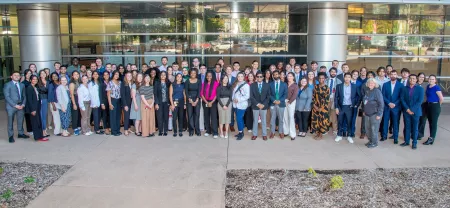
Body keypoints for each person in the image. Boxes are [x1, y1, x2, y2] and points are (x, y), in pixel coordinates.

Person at [400, 74, 424, 150]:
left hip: (416, 112)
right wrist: (407, 109)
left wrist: (412, 110)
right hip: (406, 111)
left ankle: (414, 143)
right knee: (407, 127)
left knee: (415, 128)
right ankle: (406, 141)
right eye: (410, 78)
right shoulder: (404, 88)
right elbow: (402, 99)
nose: (412, 80)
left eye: (414, 79)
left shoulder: (420, 89)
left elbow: (420, 101)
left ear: (416, 80)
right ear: (408, 79)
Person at [334, 73, 359, 144]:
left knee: (349, 122)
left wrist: (356, 105)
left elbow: (359, 96)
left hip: (350, 107)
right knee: (340, 121)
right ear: (344, 78)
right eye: (346, 77)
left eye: (349, 77)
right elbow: (336, 97)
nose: (347, 78)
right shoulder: (339, 86)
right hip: (341, 107)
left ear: (351, 78)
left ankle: (349, 136)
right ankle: (339, 135)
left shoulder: (354, 86)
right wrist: (336, 107)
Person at [5, 71, 29, 143]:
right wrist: (15, 105)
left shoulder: (22, 85)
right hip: (11, 106)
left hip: (21, 106)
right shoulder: (7, 85)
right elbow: (7, 96)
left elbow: (24, 96)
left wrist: (23, 104)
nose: (16, 76)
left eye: (18, 75)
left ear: (20, 77)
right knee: (10, 121)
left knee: (20, 120)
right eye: (15, 75)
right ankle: (10, 136)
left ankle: (20, 133)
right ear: (11, 77)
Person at [381, 70, 403, 143]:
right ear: (389, 75)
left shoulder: (401, 85)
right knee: (385, 122)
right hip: (387, 106)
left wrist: (394, 104)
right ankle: (384, 136)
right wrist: (389, 103)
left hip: (396, 107)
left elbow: (401, 97)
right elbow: (383, 95)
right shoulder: (385, 84)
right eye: (392, 74)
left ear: (397, 75)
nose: (393, 75)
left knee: (395, 123)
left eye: (395, 74)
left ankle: (395, 138)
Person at [25, 75, 47, 141]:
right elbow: (29, 100)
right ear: (30, 80)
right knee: (35, 123)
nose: (35, 80)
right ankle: (37, 137)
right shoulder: (29, 88)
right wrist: (32, 110)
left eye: (36, 79)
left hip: (37, 106)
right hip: (33, 108)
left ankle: (40, 135)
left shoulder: (35, 87)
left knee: (38, 121)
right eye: (33, 79)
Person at [363, 78, 384, 148]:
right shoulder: (367, 91)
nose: (370, 84)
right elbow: (365, 102)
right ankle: (371, 141)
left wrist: (379, 114)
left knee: (374, 129)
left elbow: (381, 104)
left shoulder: (377, 91)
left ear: (375, 84)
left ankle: (375, 143)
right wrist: (364, 111)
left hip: (374, 114)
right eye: (369, 83)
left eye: (372, 83)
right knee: (367, 129)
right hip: (367, 114)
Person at [423, 75, 443, 145]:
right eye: (430, 79)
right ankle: (431, 137)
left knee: (433, 123)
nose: (431, 80)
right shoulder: (428, 86)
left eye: (432, 79)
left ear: (435, 80)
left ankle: (431, 138)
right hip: (428, 105)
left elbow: (441, 98)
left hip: (435, 106)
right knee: (430, 122)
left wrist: (438, 106)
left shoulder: (436, 87)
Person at [250, 71, 270, 140]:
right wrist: (258, 104)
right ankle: (254, 134)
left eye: (260, 76)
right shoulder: (252, 85)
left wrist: (263, 104)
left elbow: (268, 96)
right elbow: (251, 96)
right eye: (258, 76)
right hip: (255, 106)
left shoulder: (267, 85)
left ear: (263, 77)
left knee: (264, 121)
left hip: (264, 106)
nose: (259, 78)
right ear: (256, 77)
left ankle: (264, 134)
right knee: (255, 120)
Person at [311, 72, 330, 139]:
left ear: (325, 79)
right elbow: (313, 97)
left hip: (323, 108)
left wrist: (321, 108)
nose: (321, 79)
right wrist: (314, 106)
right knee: (316, 120)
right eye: (320, 78)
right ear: (318, 79)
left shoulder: (327, 88)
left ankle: (321, 134)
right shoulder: (316, 87)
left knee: (322, 121)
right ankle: (317, 133)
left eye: (322, 78)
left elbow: (327, 99)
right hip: (315, 106)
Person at [269, 70, 287, 139]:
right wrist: (274, 100)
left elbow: (285, 94)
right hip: (272, 104)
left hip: (281, 104)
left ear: (279, 75)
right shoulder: (270, 84)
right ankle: (272, 132)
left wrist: (280, 100)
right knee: (272, 119)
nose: (276, 76)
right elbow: (269, 94)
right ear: (273, 76)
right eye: (274, 75)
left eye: (277, 74)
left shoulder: (284, 84)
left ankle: (280, 132)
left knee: (281, 119)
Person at [201, 71, 219, 138]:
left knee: (214, 117)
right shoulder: (204, 84)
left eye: (210, 76)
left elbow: (217, 94)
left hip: (213, 102)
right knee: (206, 116)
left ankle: (215, 132)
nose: (209, 77)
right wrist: (206, 102)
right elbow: (201, 94)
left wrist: (211, 102)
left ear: (212, 76)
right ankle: (208, 131)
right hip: (205, 102)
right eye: (207, 76)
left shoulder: (216, 83)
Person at [233, 72, 250, 140]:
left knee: (239, 119)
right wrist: (233, 99)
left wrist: (239, 100)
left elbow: (247, 96)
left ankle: (241, 133)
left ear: (244, 77)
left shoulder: (246, 85)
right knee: (240, 119)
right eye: (238, 76)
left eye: (241, 76)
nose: (240, 78)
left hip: (242, 104)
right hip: (236, 104)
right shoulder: (236, 84)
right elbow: (233, 94)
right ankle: (241, 132)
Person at [185, 68, 202, 137]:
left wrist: (197, 100)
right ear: (189, 73)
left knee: (197, 115)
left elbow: (199, 91)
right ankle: (191, 130)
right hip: (189, 100)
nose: (193, 74)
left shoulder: (199, 81)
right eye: (191, 73)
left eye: (194, 73)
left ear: (196, 74)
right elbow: (186, 91)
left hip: (197, 99)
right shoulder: (187, 81)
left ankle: (197, 130)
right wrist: (191, 100)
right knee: (190, 115)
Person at [154, 71, 171, 136]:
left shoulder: (168, 83)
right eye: (162, 75)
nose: (163, 76)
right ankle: (160, 131)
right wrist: (156, 103)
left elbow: (170, 93)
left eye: (164, 75)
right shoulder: (157, 83)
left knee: (166, 117)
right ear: (160, 76)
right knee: (159, 117)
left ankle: (165, 131)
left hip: (166, 103)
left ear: (166, 76)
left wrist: (169, 103)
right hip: (159, 103)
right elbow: (155, 93)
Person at [283, 72, 299, 140]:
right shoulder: (285, 84)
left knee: (291, 117)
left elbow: (295, 95)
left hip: (291, 102)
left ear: (293, 77)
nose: (289, 77)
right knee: (285, 117)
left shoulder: (295, 85)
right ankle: (286, 132)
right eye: (288, 76)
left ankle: (292, 134)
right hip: (284, 101)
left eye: (290, 76)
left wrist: (289, 102)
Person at [107, 70, 123, 136]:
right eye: (115, 74)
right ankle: (113, 131)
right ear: (113, 75)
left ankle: (118, 130)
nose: (117, 76)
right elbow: (108, 94)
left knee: (118, 116)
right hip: (113, 100)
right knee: (113, 116)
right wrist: (110, 103)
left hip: (119, 100)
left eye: (118, 74)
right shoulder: (110, 83)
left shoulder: (120, 82)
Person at [327, 67, 341, 135]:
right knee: (326, 114)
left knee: (334, 115)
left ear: (336, 73)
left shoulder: (339, 81)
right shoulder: (326, 80)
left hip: (334, 99)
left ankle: (335, 129)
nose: (333, 73)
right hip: (327, 99)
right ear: (329, 72)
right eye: (332, 71)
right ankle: (325, 128)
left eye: (334, 72)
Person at [37, 70, 50, 137]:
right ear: (39, 75)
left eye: (44, 73)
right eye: (41, 73)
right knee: (41, 116)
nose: (43, 74)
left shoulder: (48, 82)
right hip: (40, 99)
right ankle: (42, 131)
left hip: (46, 99)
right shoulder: (37, 82)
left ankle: (44, 130)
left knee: (44, 116)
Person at [69, 71, 82, 136]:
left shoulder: (79, 82)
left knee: (79, 114)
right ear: (72, 76)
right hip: (75, 99)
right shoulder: (72, 83)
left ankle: (79, 126)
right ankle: (75, 128)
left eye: (77, 74)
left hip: (80, 99)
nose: (76, 75)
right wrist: (74, 104)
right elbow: (71, 94)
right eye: (75, 74)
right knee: (75, 115)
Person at [120, 72, 133, 136]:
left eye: (130, 75)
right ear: (125, 76)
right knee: (126, 116)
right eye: (128, 75)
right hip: (126, 103)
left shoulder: (132, 83)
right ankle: (125, 130)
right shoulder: (123, 84)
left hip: (132, 103)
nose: (129, 76)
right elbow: (122, 95)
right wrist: (125, 105)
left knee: (130, 116)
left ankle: (128, 128)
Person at [22, 69, 33, 136]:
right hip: (27, 101)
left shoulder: (33, 81)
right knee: (28, 116)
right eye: (27, 73)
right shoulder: (23, 83)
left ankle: (33, 128)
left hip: (33, 100)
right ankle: (29, 130)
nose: (29, 75)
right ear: (25, 74)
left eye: (30, 73)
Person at [417, 72, 428, 140]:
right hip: (416, 105)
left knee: (423, 120)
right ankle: (414, 133)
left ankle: (420, 134)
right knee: (416, 119)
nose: (421, 78)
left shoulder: (426, 85)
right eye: (420, 77)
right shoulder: (415, 84)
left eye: (423, 77)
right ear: (417, 77)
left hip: (424, 104)